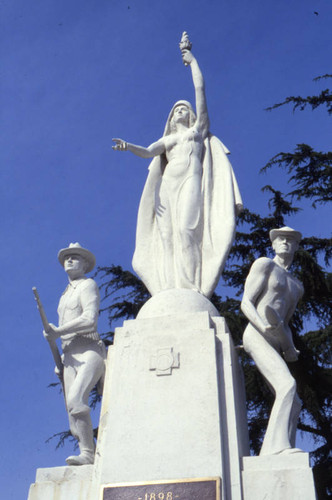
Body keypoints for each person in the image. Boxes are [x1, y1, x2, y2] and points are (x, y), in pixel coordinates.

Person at [112, 33, 242, 298]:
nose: (180, 111)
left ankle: (191, 285)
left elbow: (200, 91)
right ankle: (168, 287)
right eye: (176, 111)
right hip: (168, 186)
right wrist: (128, 147)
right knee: (167, 237)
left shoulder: (197, 132)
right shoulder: (168, 139)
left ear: (191, 114)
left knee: (187, 230)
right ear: (171, 119)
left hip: (190, 181)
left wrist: (192, 61)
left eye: (184, 109)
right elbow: (149, 152)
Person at [241, 227, 304, 456]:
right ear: (273, 244)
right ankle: (277, 449)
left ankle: (282, 449)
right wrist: (262, 324)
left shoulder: (297, 286)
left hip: (276, 340)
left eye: (290, 240)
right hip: (256, 334)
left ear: (296, 246)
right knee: (287, 385)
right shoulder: (264, 265)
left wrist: (289, 347)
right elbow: (246, 302)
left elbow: (284, 323)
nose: (285, 243)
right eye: (281, 239)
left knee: (295, 401)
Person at [44, 243, 106, 466]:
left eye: (75, 258)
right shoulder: (64, 295)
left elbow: (90, 319)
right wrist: (62, 354)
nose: (69, 260)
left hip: (89, 350)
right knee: (73, 416)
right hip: (70, 355)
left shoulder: (88, 285)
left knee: (76, 399)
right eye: (67, 258)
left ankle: (88, 453)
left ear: (85, 264)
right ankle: (87, 452)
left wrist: (58, 331)